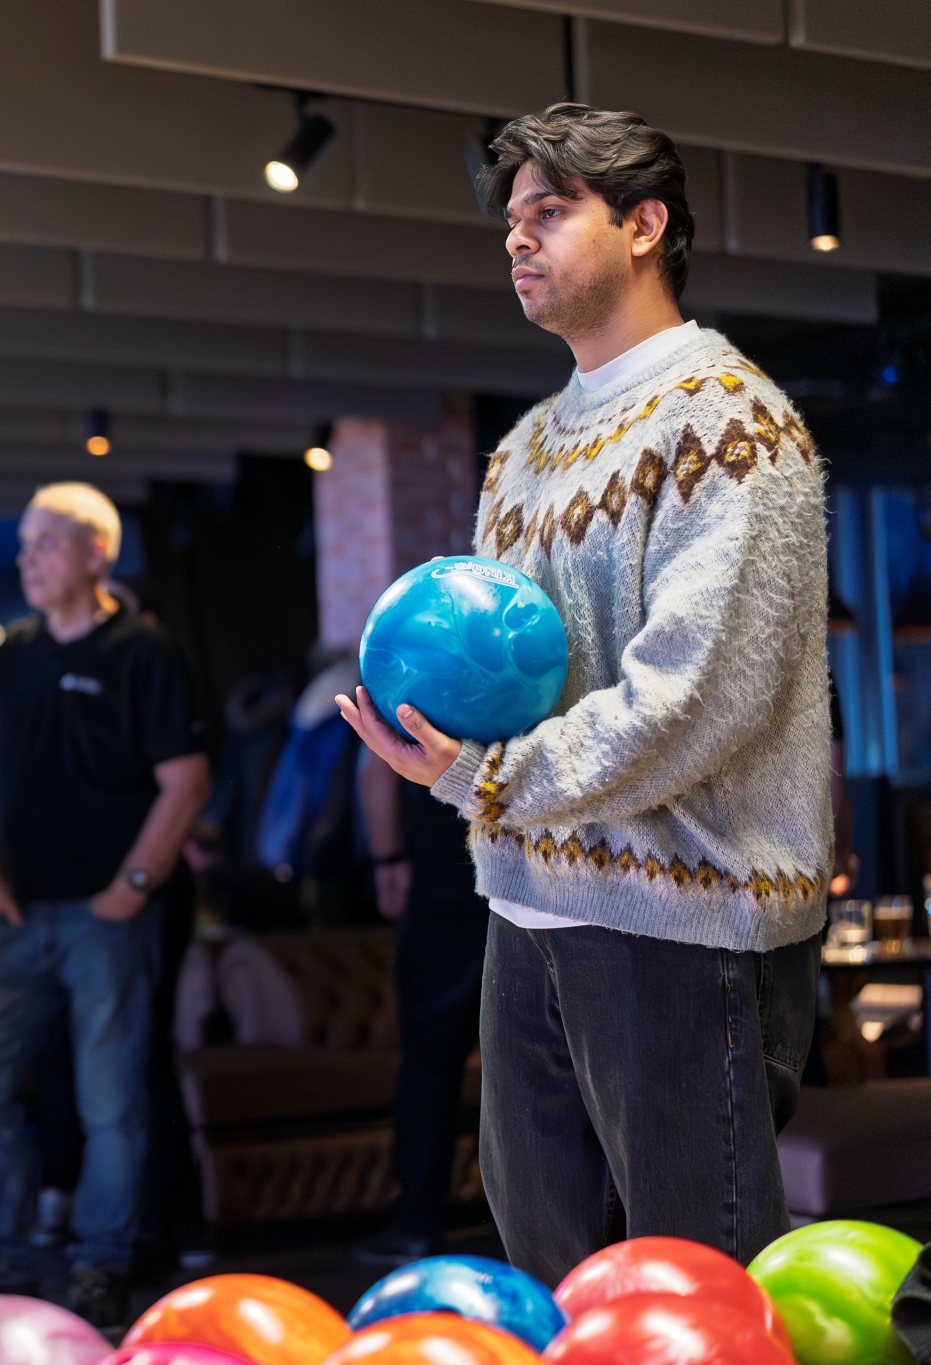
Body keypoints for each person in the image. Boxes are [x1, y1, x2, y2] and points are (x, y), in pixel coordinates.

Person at [336, 105, 829, 1282]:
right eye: (510, 219)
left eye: (549, 212)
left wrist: (477, 776)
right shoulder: (521, 452)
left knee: (689, 1295)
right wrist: (465, 764)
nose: (515, 239)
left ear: (642, 226)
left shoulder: (730, 422)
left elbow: (694, 698)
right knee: (555, 1285)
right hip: (524, 904)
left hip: (683, 919)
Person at [0, 483, 211, 1328]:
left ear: (96, 552)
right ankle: (1, 1252)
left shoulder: (144, 652)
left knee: (112, 1100)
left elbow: (186, 781)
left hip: (106, 919)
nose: (26, 560)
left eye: (46, 544)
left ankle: (103, 1262)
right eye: (23, 545)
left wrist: (130, 886)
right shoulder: (14, 653)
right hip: (17, 915)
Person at [354, 751, 488, 1263]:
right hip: (534, 865)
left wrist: (388, 860)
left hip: (444, 867)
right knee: (544, 1055)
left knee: (431, 1057)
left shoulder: (407, 691)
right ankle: (557, 1236)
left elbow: (376, 769)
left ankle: (415, 1219)